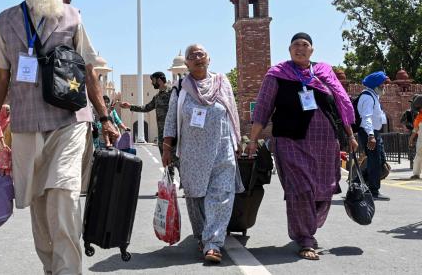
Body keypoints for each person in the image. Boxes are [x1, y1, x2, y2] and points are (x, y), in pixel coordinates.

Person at [0, 0, 119, 275]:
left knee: (63, 194)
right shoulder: (6, 21)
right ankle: (52, 269)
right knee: (39, 206)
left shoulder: (72, 16)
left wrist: (104, 118)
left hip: (69, 121)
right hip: (27, 126)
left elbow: (88, 71)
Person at [247, 33, 358, 261]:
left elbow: (342, 103)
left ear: (312, 50)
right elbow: (262, 110)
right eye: (295, 45)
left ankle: (308, 227)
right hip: (289, 141)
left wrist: (351, 135)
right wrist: (252, 141)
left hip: (325, 142)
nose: (300, 48)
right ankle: (305, 238)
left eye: (305, 45)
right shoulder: (277, 74)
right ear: (289, 50)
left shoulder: (325, 73)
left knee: (323, 190)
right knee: (301, 189)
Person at [161, 44, 242, 263]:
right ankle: (202, 236)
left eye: (201, 54)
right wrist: (167, 147)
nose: (197, 58)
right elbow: (170, 119)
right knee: (196, 197)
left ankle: (213, 244)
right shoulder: (180, 88)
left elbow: (232, 110)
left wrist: (238, 139)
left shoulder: (222, 82)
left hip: (222, 147)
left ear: (209, 59)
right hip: (192, 153)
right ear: (186, 63)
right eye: (192, 56)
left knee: (222, 194)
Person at [357, 71, 391, 200]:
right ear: (376, 85)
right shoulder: (367, 97)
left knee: (379, 161)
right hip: (368, 133)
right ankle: (373, 190)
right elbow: (367, 118)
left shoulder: (374, 95)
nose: (384, 86)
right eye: (382, 83)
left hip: (374, 133)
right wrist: (371, 135)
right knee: (375, 161)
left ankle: (356, 183)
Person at [121, 71, 171, 155]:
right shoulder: (157, 97)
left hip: (172, 133)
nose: (152, 83)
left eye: (153, 80)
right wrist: (130, 106)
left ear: (159, 80)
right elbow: (146, 108)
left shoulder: (172, 92)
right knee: (166, 161)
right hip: (162, 134)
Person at [409, 111, 422, 179]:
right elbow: (415, 130)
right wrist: (411, 139)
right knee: (418, 157)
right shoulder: (418, 118)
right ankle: (416, 174)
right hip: (420, 142)